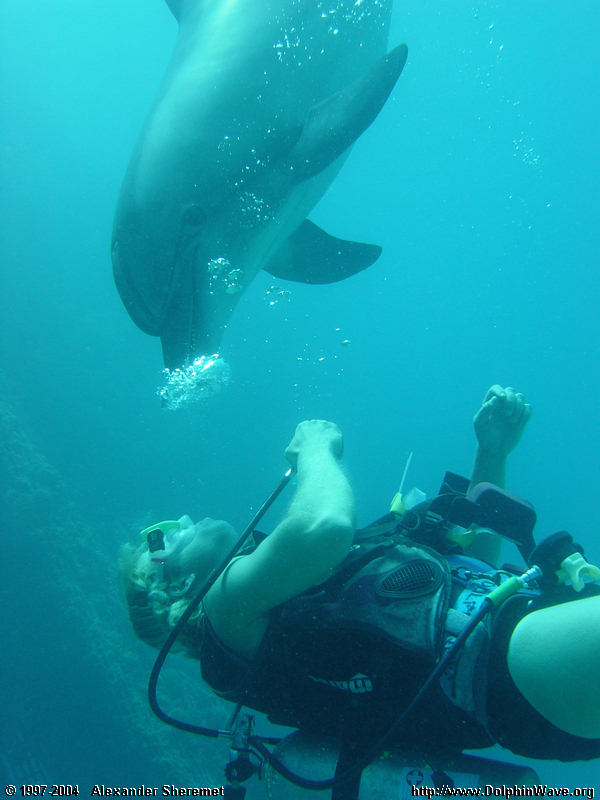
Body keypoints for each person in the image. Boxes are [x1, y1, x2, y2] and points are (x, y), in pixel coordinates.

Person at [120, 385, 600, 764]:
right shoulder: (224, 606)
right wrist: (314, 449)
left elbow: (471, 568)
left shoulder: (278, 589)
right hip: (507, 664)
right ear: (177, 588)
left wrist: (491, 454)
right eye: (160, 542)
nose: (181, 523)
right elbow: (325, 526)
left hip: (520, 655)